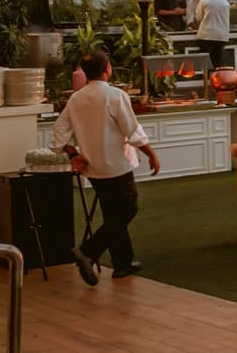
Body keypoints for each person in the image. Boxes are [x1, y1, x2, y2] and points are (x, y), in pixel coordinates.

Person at [52, 51, 160, 284]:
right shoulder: (115, 95)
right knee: (127, 209)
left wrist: (73, 154)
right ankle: (88, 251)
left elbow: (59, 129)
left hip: (93, 167)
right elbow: (131, 130)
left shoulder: (77, 98)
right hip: (116, 165)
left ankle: (122, 263)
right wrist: (151, 154)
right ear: (108, 68)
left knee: (114, 214)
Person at [196, 0, 231, 69]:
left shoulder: (204, 1)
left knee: (206, 61)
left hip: (207, 35)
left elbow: (198, 17)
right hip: (221, 36)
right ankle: (218, 80)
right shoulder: (226, 3)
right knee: (218, 61)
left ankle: (206, 79)